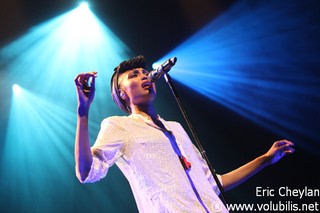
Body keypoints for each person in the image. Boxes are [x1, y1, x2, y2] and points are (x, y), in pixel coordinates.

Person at [74, 55, 295, 213]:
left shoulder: (176, 128)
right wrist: (83, 112)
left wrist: (265, 159)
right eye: (135, 75)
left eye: (145, 72)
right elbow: (87, 171)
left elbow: (214, 184)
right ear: (122, 94)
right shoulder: (118, 125)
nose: (145, 76)